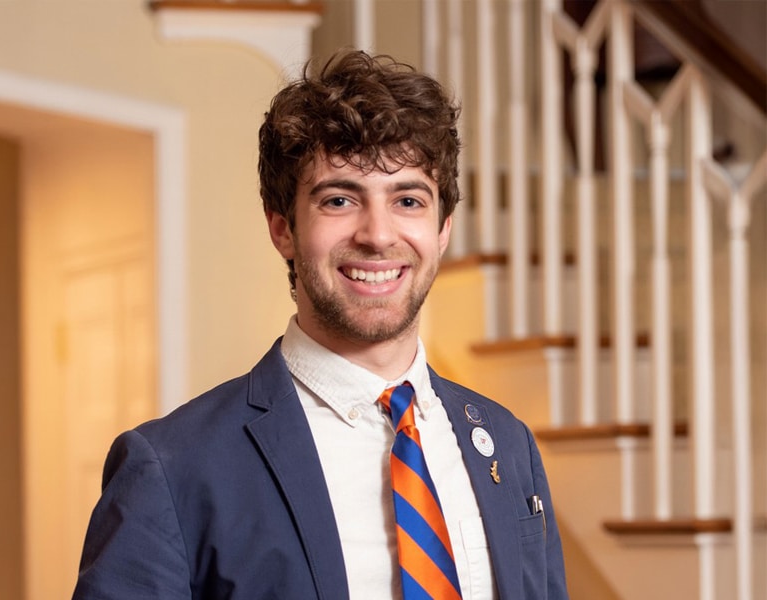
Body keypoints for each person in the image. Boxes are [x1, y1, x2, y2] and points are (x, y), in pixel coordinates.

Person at [72, 49, 568, 600]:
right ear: (282, 228)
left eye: (407, 199)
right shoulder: (171, 468)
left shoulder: (506, 443)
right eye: (339, 199)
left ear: (443, 228)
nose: (378, 235)